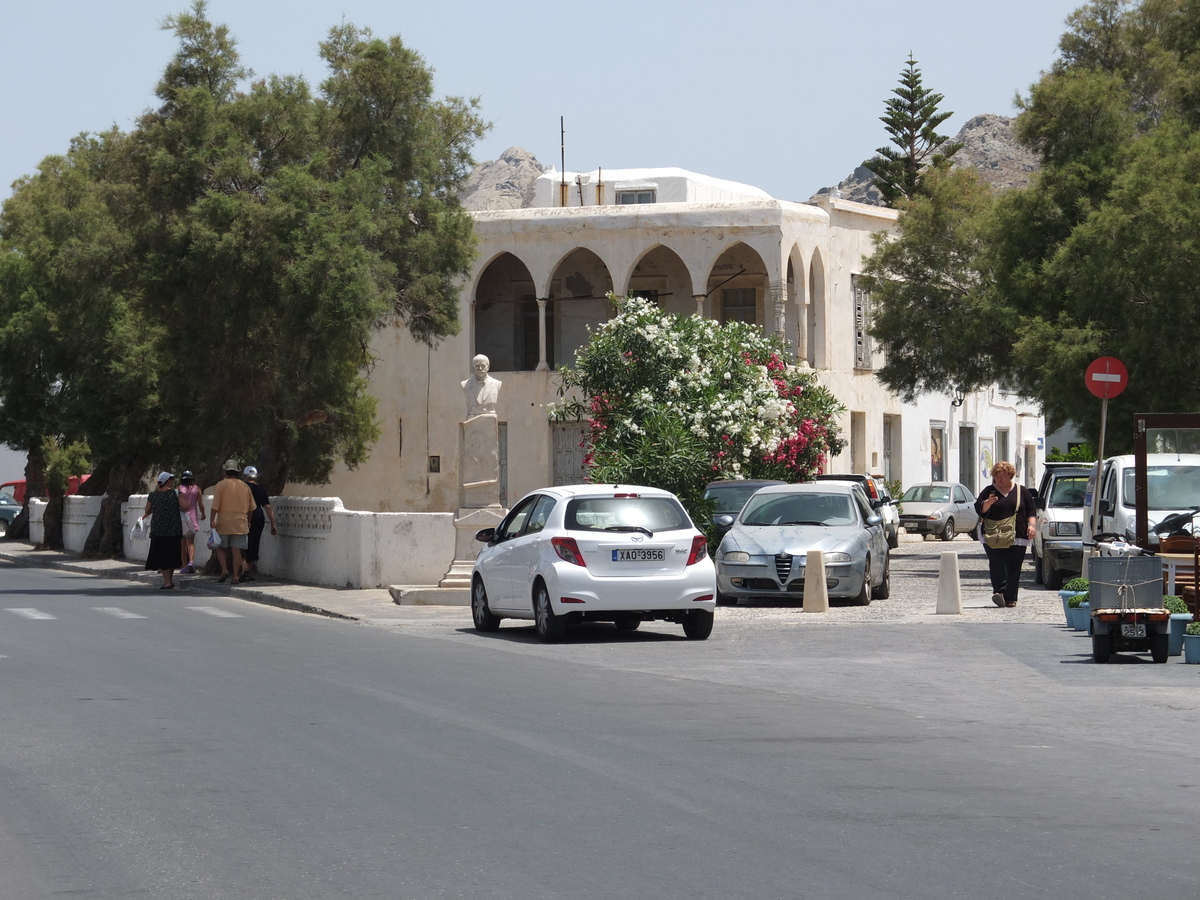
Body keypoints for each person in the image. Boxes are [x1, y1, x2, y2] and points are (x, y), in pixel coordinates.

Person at [975, 460, 1038, 608]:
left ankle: (1010, 598)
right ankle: (999, 592)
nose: (999, 480)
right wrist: (988, 503)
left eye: (1002, 476)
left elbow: (1031, 510)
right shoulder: (989, 491)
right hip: (993, 534)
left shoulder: (1022, 491)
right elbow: (979, 509)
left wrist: (1032, 525)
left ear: (1010, 476)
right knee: (997, 563)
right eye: (996, 477)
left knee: (1014, 566)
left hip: (1018, 535)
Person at [209, 459, 256, 585]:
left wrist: (212, 520)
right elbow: (252, 508)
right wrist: (249, 521)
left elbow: (215, 506)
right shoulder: (245, 486)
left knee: (220, 547)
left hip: (224, 522)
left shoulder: (220, 485)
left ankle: (224, 570)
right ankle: (235, 576)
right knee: (237, 550)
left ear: (225, 471)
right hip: (240, 523)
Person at [144, 471, 183, 589]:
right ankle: (168, 581)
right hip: (173, 529)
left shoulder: (153, 495)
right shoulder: (175, 493)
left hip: (158, 529)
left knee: (162, 556)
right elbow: (185, 506)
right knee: (171, 555)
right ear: (169, 481)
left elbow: (147, 510)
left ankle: (168, 581)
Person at [242, 465, 276, 582]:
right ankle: (247, 571)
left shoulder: (242, 488)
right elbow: (268, 507)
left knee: (240, 543)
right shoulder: (261, 489)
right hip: (258, 517)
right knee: (254, 543)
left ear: (245, 476)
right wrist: (273, 523)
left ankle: (243, 568)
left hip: (242, 516)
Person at [176, 470, 206, 575]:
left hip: (181, 518)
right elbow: (201, 504)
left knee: (183, 543)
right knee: (191, 542)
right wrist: (203, 514)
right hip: (192, 518)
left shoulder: (179, 489)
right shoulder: (197, 489)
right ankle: (191, 562)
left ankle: (184, 565)